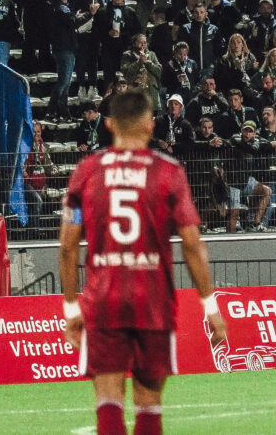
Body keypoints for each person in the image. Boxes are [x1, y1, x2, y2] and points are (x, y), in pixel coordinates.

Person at [58, 90, 228, 435]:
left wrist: (72, 309)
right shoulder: (169, 171)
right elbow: (192, 245)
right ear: (151, 126)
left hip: (104, 300)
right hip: (153, 302)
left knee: (108, 398)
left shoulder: (87, 170)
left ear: (108, 125)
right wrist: (210, 306)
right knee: (149, 400)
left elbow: (66, 246)